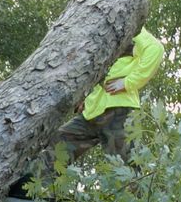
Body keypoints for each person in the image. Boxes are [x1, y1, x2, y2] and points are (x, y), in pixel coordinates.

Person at [53, 27, 165, 163]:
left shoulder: (136, 32)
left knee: (125, 166)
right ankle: (27, 182)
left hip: (120, 110)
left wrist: (127, 83)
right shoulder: (101, 33)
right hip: (92, 110)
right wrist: (84, 96)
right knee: (57, 146)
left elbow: (155, 49)